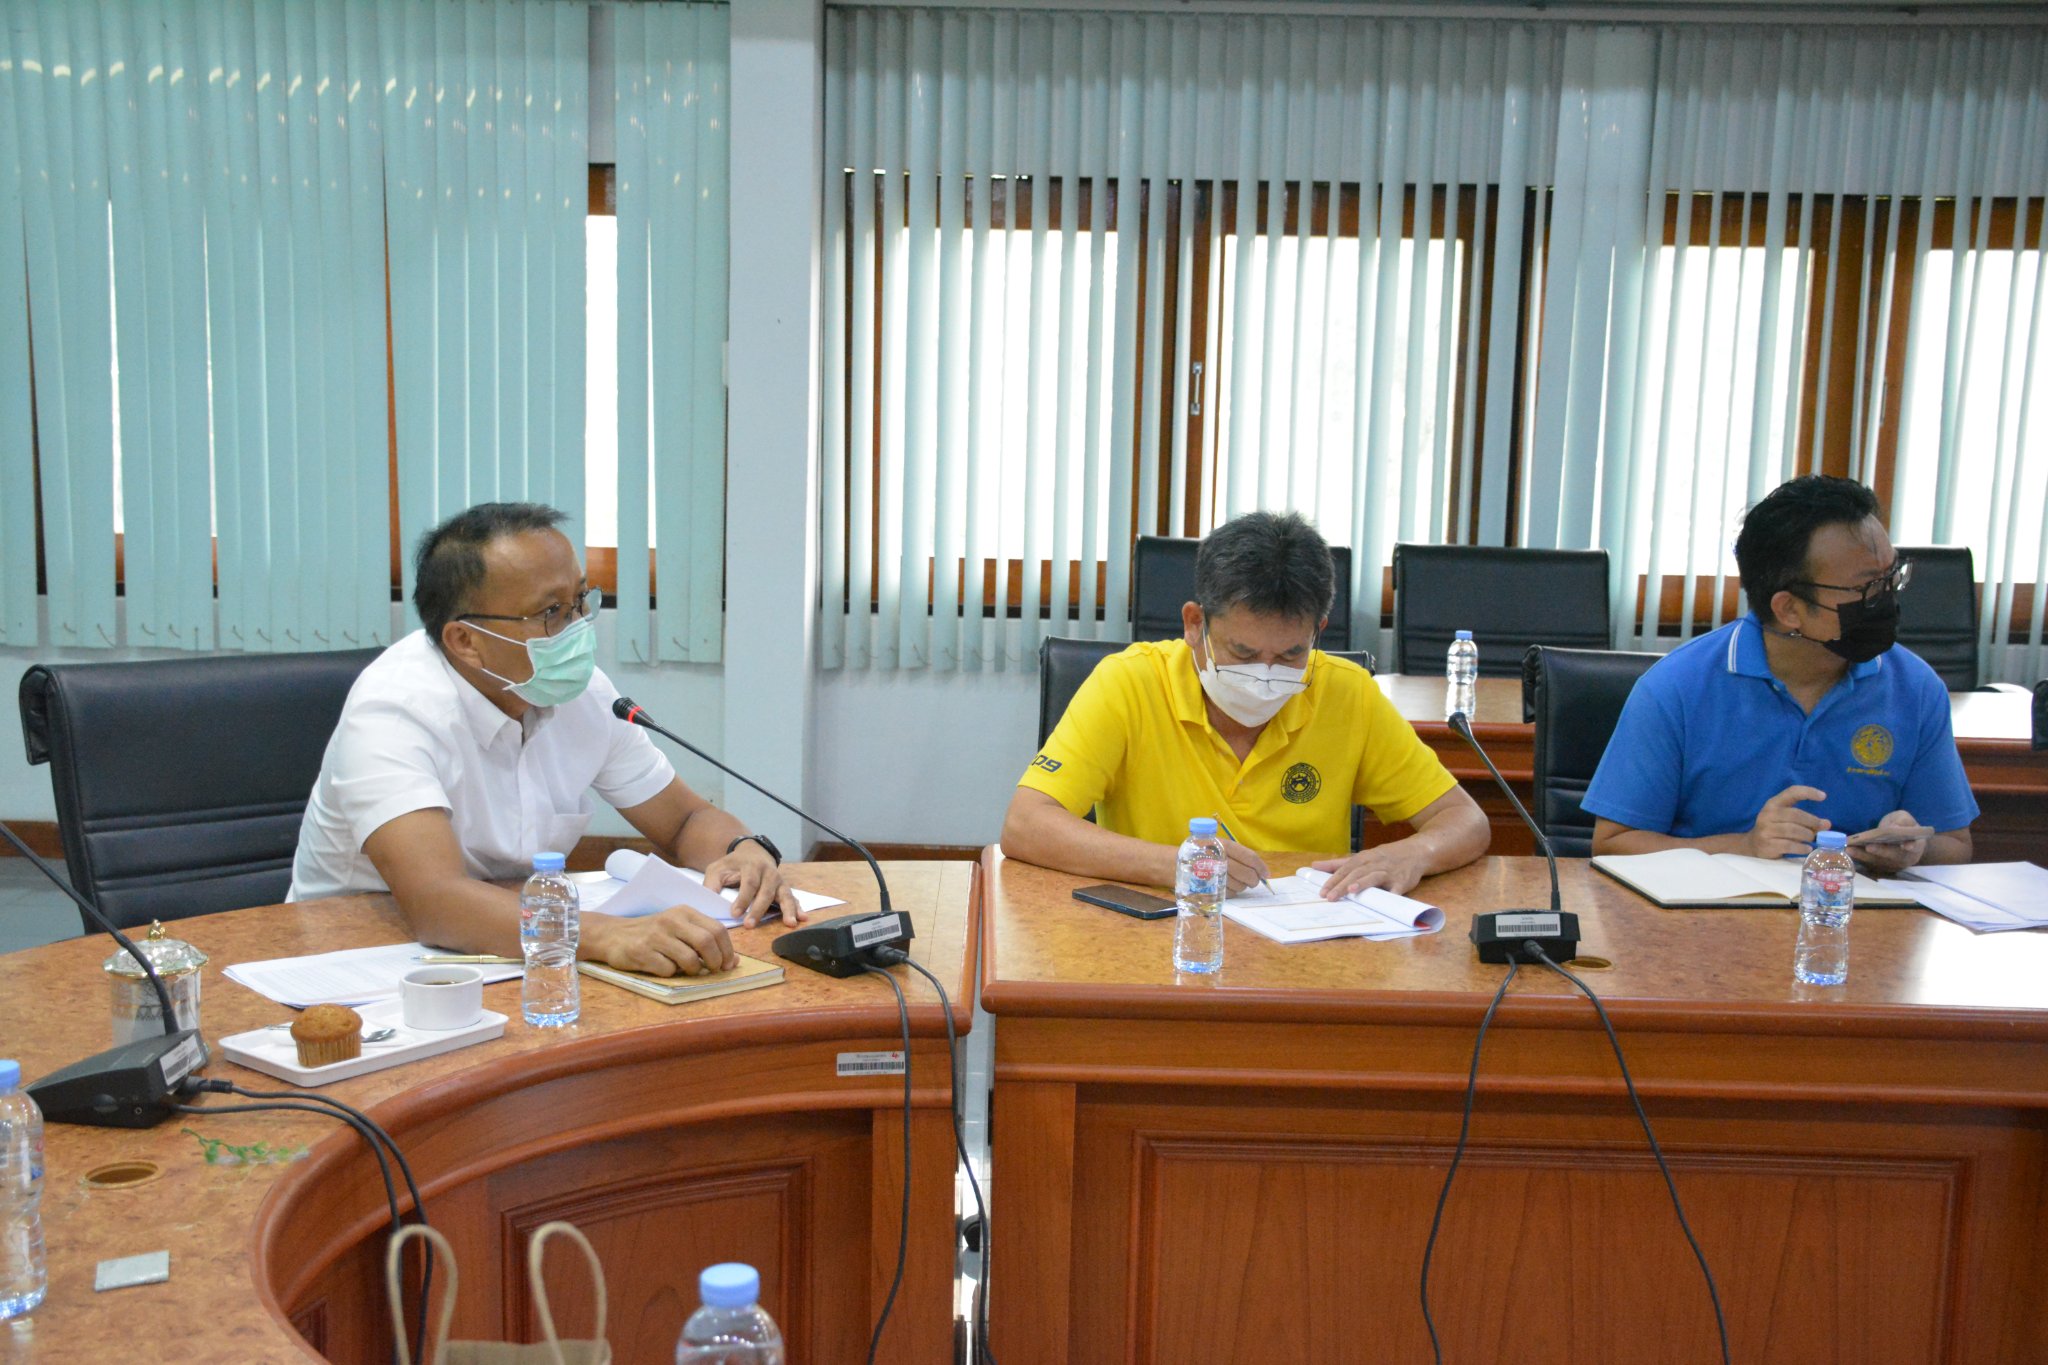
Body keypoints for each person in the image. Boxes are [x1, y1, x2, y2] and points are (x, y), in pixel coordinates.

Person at [290, 502, 802, 976]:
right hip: (355, 962)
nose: (578, 627)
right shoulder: (394, 713)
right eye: (550, 612)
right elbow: (436, 902)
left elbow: (685, 819)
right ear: (465, 640)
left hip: (521, 944)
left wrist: (741, 850)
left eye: (579, 600)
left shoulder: (584, 694)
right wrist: (606, 935)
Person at [1000, 511, 1490, 898]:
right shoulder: (1128, 683)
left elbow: (1466, 820)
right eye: (1243, 653)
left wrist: (1413, 854)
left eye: (1291, 654)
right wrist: (1177, 864)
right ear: (1195, 624)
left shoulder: (1348, 693)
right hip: (1168, 932)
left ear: (1317, 632)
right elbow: (1026, 825)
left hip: (1307, 945)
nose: (1266, 675)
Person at [1584, 474, 1976, 872]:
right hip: (1709, 907)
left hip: (1852, 906)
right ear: (1789, 609)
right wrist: (1743, 846)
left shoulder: (1915, 688)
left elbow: (1956, 844)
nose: (1886, 598)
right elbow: (1613, 844)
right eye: (1867, 589)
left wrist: (1913, 849)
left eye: (1892, 577)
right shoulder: (1676, 688)